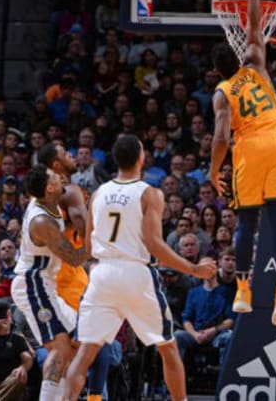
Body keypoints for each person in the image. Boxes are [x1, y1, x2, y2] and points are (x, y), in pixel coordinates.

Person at [64, 135, 216, 401]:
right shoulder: (149, 193)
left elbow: (88, 245)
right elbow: (155, 245)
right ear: (141, 158)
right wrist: (193, 269)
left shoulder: (98, 194)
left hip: (101, 273)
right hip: (135, 272)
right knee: (168, 348)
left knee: (85, 353)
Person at [210, 0, 276, 327]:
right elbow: (255, 30)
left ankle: (243, 290)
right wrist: (254, 0)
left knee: (246, 222)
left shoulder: (222, 92)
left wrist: (214, 169)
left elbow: (220, 138)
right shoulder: (257, 64)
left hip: (250, 149)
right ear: (240, 56)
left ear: (217, 70)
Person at [36, 142, 114, 401]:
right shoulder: (65, 192)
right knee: (87, 343)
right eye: (65, 153)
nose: (71, 155)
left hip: (70, 277)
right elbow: (86, 233)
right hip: (63, 280)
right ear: (56, 165)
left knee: (74, 351)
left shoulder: (48, 195)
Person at [10, 164, 91, 401]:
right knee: (60, 348)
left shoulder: (49, 201)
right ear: (50, 187)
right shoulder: (41, 222)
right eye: (55, 176)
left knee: (78, 343)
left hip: (46, 284)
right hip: (33, 285)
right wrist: (95, 232)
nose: (60, 176)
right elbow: (76, 259)